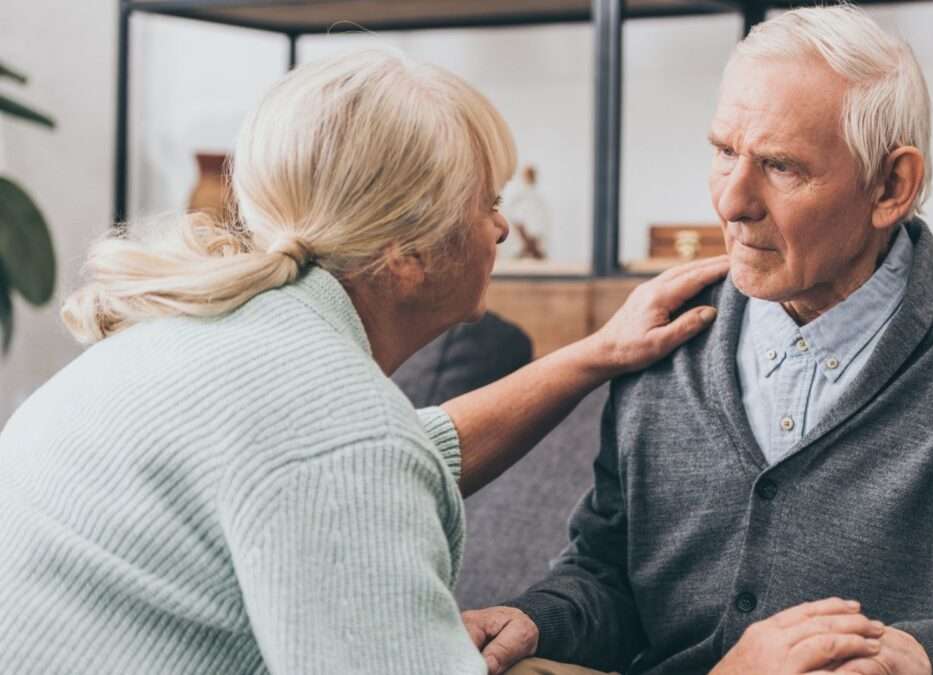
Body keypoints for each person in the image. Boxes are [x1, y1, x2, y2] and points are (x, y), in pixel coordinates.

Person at [0, 50, 728, 673]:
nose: (503, 227)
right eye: (486, 202)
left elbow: (398, 448)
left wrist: (595, 353)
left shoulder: (219, 333)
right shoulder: (337, 433)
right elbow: (352, 457)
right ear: (408, 252)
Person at [465, 6, 933, 675]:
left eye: (781, 167)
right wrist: (537, 618)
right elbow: (607, 574)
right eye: (724, 151)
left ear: (891, 186)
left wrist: (921, 656)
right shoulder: (663, 333)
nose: (732, 201)